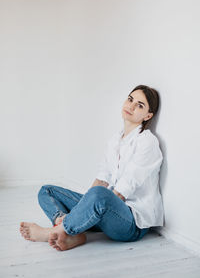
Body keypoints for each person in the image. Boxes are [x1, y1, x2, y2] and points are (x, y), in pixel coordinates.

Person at [20, 84, 164, 251]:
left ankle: (55, 231)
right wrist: (85, 207)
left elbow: (124, 188)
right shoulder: (115, 141)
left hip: (131, 223)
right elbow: (102, 178)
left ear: (148, 115)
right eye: (130, 99)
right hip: (106, 210)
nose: (131, 106)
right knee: (47, 191)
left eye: (140, 105)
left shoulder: (147, 141)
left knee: (99, 194)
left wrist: (90, 205)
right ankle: (74, 233)